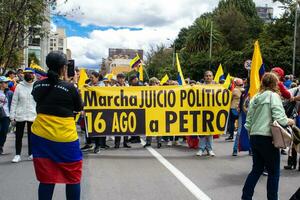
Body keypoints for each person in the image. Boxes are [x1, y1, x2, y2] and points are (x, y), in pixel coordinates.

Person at [31, 51, 83, 200]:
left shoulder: (37, 85)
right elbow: (79, 107)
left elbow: (40, 98)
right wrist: (70, 82)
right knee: (73, 176)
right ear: (63, 68)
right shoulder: (70, 87)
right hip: (65, 138)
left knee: (47, 177)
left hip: (41, 136)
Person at [241, 72, 295, 200]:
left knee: (256, 169)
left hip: (255, 136)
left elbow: (248, 121)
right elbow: (280, 118)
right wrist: (290, 121)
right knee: (274, 173)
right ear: (275, 83)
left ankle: (246, 197)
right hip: (268, 138)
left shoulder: (255, 97)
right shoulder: (273, 96)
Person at [10, 69, 36, 163]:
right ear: (24, 75)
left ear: (33, 75)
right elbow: (14, 102)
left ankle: (31, 153)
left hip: (32, 114)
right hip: (20, 114)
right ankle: (17, 155)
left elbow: (38, 102)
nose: (28, 75)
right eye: (26, 73)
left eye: (30, 73)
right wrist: (12, 116)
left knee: (32, 136)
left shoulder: (36, 86)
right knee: (18, 136)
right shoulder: (19, 87)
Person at [196, 71, 216, 157]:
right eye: (206, 76)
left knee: (210, 131)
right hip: (202, 111)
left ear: (212, 77)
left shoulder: (217, 87)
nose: (208, 77)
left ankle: (210, 149)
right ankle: (201, 148)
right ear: (204, 77)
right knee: (202, 131)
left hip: (212, 111)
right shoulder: (200, 87)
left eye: (210, 76)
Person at [143, 77, 162, 148]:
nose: (155, 84)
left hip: (158, 111)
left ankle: (159, 142)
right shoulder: (147, 90)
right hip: (150, 111)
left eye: (156, 83)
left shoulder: (160, 89)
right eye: (153, 83)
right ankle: (148, 142)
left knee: (159, 127)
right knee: (149, 127)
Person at [114, 73, 131, 148]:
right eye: (119, 78)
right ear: (117, 79)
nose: (121, 79)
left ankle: (125, 142)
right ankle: (117, 143)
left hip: (126, 107)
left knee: (126, 126)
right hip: (117, 108)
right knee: (117, 126)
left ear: (124, 79)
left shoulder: (127, 86)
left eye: (122, 78)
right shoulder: (114, 87)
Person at [0, 76, 13, 155]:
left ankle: (1, 146)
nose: (7, 84)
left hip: (6, 115)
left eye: (7, 82)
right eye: (5, 82)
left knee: (4, 132)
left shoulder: (10, 93)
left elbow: (12, 104)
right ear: (1, 84)